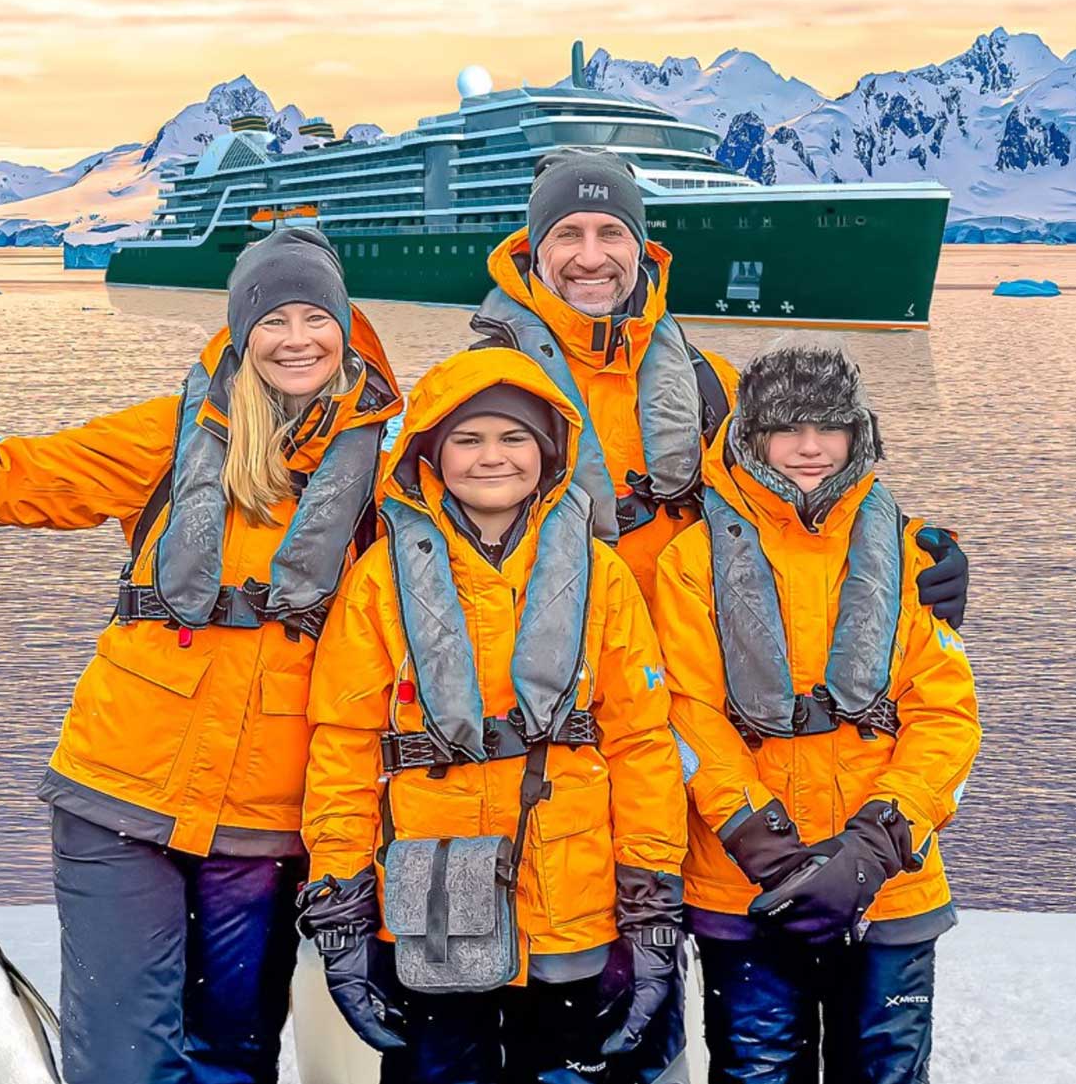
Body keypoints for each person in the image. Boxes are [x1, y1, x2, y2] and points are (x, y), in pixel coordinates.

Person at [0, 228, 404, 1084]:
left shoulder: (397, 466)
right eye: (273, 319)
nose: (296, 338)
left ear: (345, 327)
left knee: (233, 1058)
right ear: (240, 330)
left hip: (270, 817)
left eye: (315, 317)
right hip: (119, 796)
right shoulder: (172, 436)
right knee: (122, 1063)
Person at [469, 145, 973, 1078]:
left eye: (611, 231)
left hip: (669, 747)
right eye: (568, 234)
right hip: (548, 743)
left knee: (645, 1008)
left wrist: (929, 551)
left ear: (644, 249)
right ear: (531, 250)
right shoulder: (479, 388)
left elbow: (807, 503)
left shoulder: (706, 383)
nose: (590, 255)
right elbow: (410, 520)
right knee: (541, 1003)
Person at [297, 347, 687, 1084]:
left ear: (548, 452)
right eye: (467, 440)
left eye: (513, 438)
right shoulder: (381, 579)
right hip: (432, 906)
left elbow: (642, 744)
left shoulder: (603, 576)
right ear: (431, 457)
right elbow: (344, 746)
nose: (491, 458)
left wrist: (652, 898)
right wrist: (342, 900)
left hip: (579, 899)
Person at [652, 338, 980, 1084]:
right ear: (751, 436)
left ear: (857, 433)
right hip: (747, 886)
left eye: (829, 426)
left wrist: (874, 846)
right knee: (757, 1072)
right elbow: (686, 715)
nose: (809, 447)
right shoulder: (691, 560)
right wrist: (766, 846)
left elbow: (947, 716)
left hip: (891, 882)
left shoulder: (913, 555)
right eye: (786, 428)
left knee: (886, 1071)